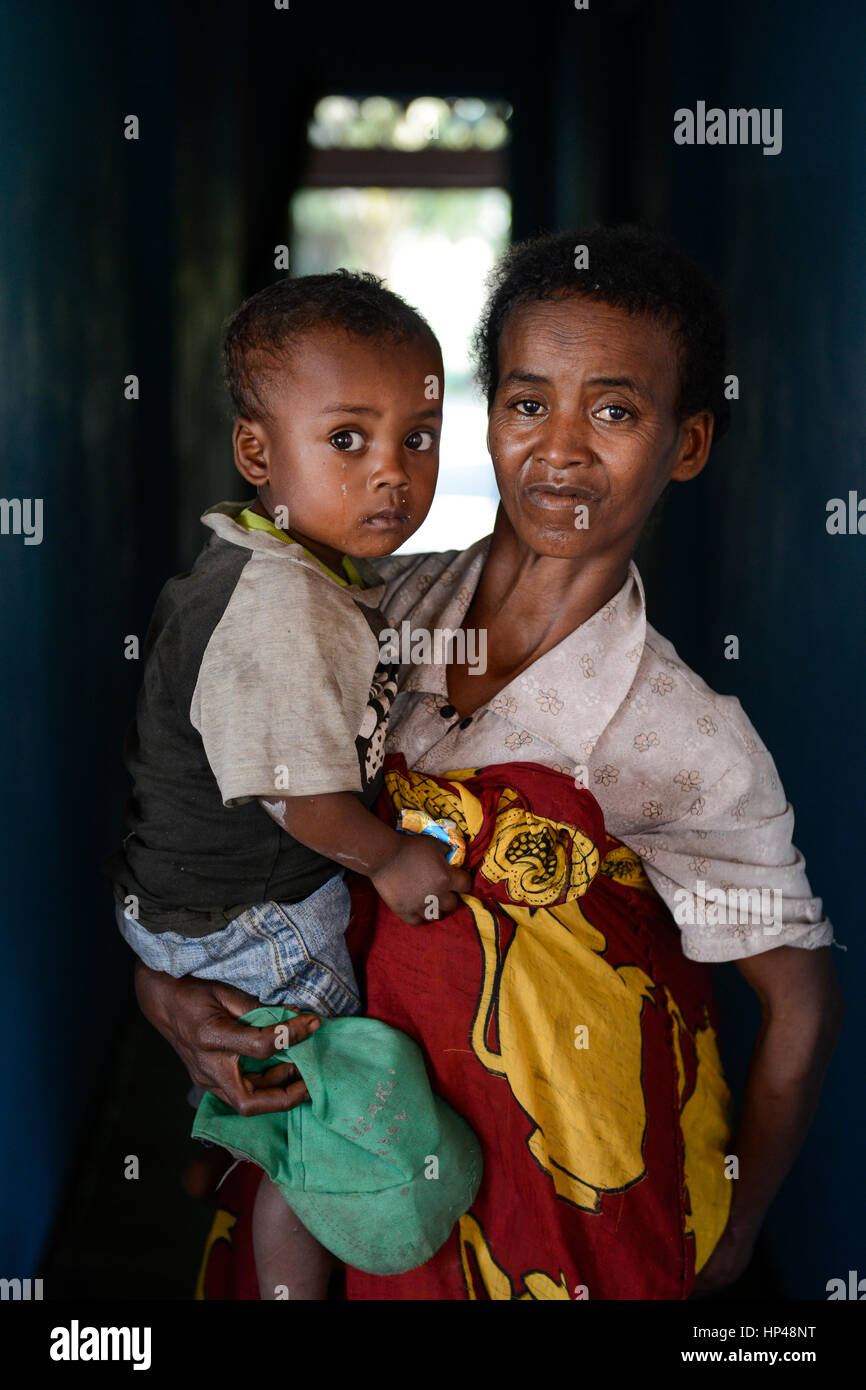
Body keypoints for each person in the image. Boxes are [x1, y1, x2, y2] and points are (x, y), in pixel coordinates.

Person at [134, 226, 844, 1300]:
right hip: (365, 1181)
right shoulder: (377, 611)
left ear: (686, 443)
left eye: (614, 410)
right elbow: (230, 824)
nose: (558, 451)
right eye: (525, 403)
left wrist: (734, 1228)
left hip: (564, 1223)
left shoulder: (679, 735)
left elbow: (799, 1001)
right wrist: (165, 987)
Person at [107, 270, 470, 1300]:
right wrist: (394, 859)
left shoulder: (288, 564)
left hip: (187, 905)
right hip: (248, 914)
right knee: (319, 1106)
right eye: (348, 439)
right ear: (257, 451)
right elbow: (299, 800)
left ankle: (219, 1146)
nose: (392, 473)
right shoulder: (280, 609)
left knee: (266, 1085)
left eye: (419, 437)